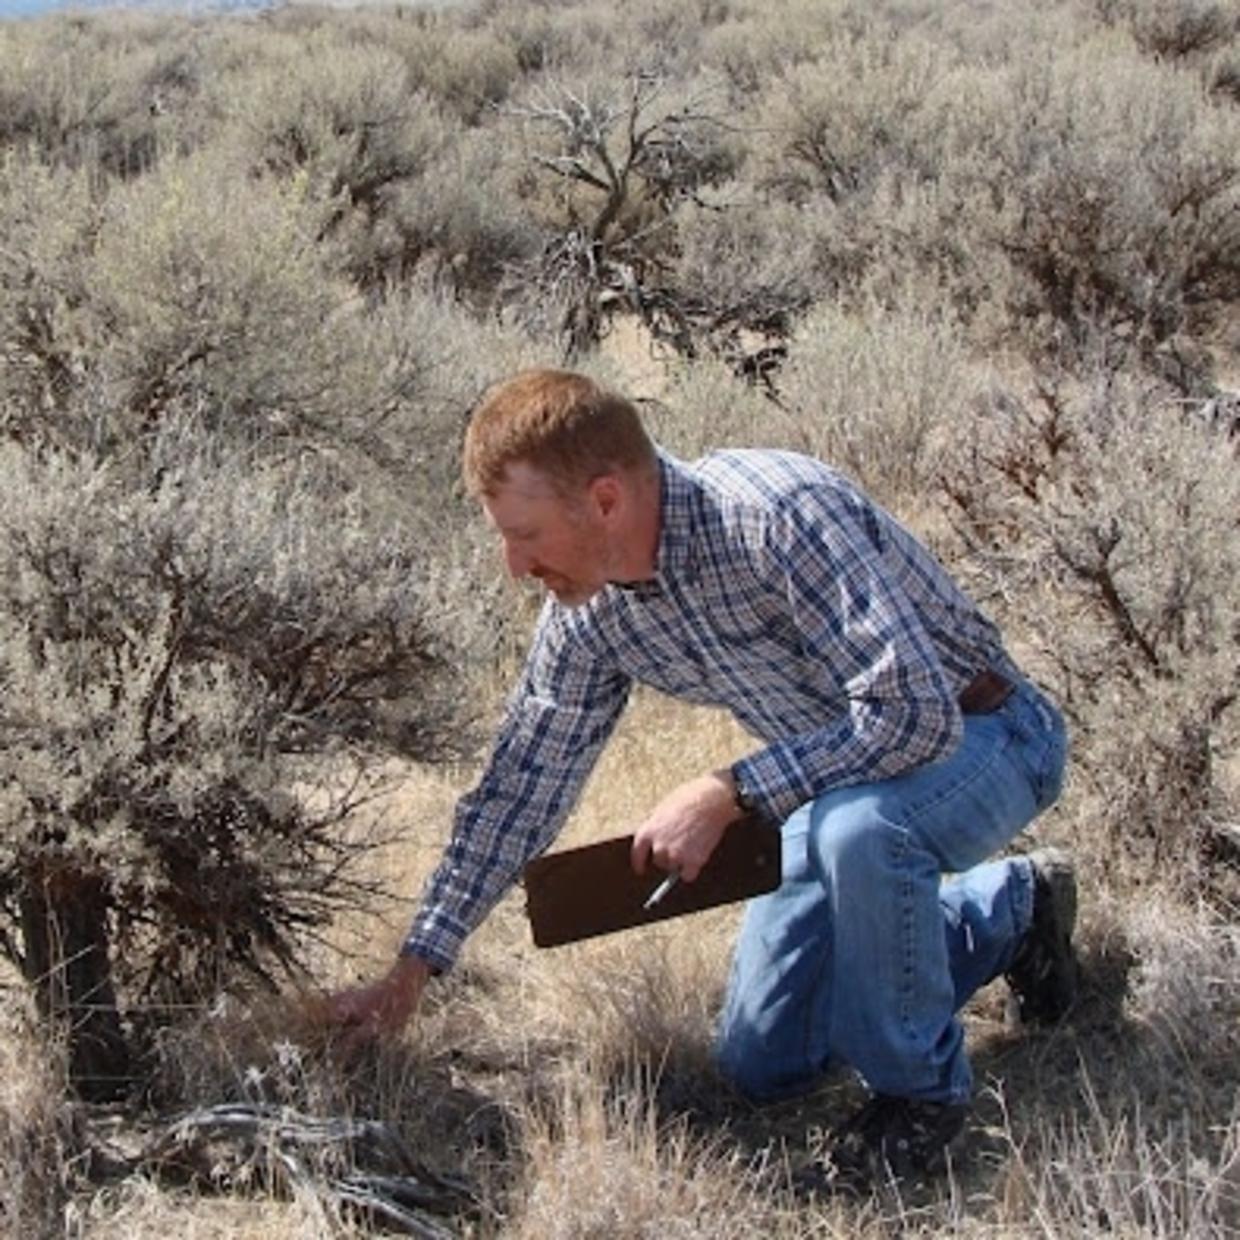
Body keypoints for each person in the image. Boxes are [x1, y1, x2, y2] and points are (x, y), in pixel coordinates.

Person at [330, 368, 1077, 1182]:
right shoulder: (589, 615)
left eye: (526, 534)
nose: (514, 564)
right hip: (831, 796)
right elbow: (522, 785)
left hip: (989, 737)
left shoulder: (774, 514)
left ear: (605, 500)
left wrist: (733, 791)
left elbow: (914, 717)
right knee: (765, 1063)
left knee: (861, 828)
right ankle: (1015, 910)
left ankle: (918, 1104)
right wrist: (415, 968)